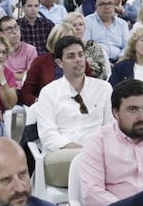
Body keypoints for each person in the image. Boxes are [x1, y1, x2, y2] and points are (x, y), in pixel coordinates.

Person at [35, 36, 114, 187]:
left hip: (98, 151)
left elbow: (110, 128)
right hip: (61, 154)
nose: (78, 60)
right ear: (59, 63)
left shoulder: (103, 88)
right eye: (71, 56)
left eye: (80, 55)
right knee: (90, 162)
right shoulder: (49, 92)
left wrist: (97, 150)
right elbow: (48, 135)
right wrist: (85, 150)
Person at [78, 79, 143, 206]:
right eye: (133, 110)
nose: (141, 116)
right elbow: (92, 194)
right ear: (115, 112)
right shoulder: (98, 142)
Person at [17, 26, 98, 107]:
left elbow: (91, 88)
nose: (68, 44)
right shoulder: (40, 62)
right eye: (64, 40)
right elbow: (25, 94)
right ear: (54, 41)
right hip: (49, 108)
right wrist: (40, 102)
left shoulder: (80, 62)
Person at [66, 10, 110, 80]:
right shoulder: (64, 48)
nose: (78, 28)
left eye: (81, 24)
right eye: (74, 25)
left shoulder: (93, 46)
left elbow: (101, 70)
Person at [0, 15, 36, 87]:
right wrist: (20, 75)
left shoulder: (31, 50)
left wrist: (7, 74)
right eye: (9, 29)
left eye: (16, 27)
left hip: (24, 87)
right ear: (2, 34)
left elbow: (30, 76)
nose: (14, 32)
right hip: (4, 87)